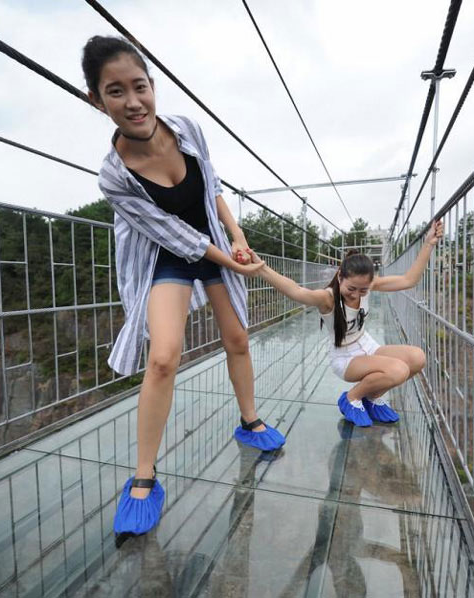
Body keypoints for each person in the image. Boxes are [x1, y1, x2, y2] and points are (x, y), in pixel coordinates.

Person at [82, 36, 285, 536]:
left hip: (214, 243)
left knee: (236, 338)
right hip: (165, 256)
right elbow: (172, 234)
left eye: (140, 86)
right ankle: (144, 476)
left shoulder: (189, 129)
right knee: (164, 356)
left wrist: (238, 237)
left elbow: (212, 188)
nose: (132, 102)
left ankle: (249, 420)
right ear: (96, 100)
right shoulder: (113, 177)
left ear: (153, 87)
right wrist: (231, 263)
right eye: (115, 92)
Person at [245, 219, 443, 426]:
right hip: (346, 358)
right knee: (398, 370)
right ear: (340, 277)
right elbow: (296, 291)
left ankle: (372, 398)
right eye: (351, 289)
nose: (356, 294)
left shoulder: (368, 285)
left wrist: (428, 243)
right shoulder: (328, 298)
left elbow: (408, 280)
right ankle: (351, 398)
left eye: (363, 290)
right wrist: (261, 269)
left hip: (368, 346)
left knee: (417, 358)